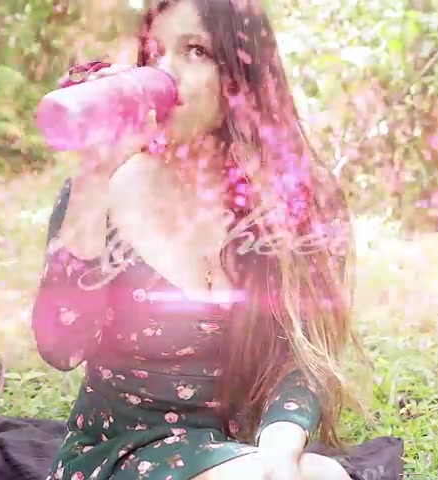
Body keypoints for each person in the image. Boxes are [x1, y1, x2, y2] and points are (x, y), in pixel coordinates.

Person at [30, 0, 365, 479]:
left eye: (196, 51)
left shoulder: (293, 202)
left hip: (238, 451)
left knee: (325, 475)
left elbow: (299, 358)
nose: (166, 71)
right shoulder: (103, 190)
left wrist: (277, 455)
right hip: (119, 450)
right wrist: (92, 176)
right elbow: (60, 348)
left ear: (242, 75)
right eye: (155, 52)